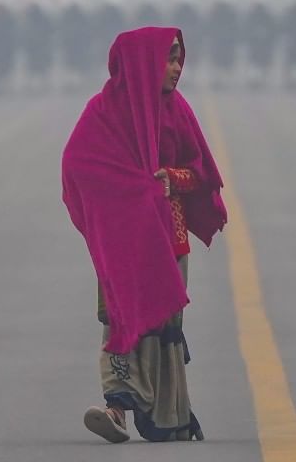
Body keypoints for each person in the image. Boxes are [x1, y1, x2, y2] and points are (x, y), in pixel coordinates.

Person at [61, 27, 227, 444]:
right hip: (121, 237)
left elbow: (201, 171)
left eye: (178, 59)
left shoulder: (177, 110)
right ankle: (116, 406)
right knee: (120, 315)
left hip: (168, 235)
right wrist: (125, 194)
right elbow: (78, 166)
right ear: (140, 64)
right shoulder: (103, 112)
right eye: (167, 60)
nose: (176, 68)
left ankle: (169, 413)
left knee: (163, 322)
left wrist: (170, 179)